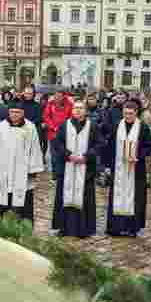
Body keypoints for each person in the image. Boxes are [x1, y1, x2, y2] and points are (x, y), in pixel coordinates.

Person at [0, 101, 45, 223]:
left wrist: (32, 170)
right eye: (12, 112)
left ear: (23, 113)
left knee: (23, 199)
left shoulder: (30, 127)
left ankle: (24, 225)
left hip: (22, 171)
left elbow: (35, 148)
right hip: (5, 169)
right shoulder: (2, 126)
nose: (14, 115)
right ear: (8, 112)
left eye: (17, 112)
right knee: (3, 198)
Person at [51, 101, 103, 238]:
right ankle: (64, 228)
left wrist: (86, 156)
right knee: (64, 196)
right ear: (72, 110)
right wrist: (68, 155)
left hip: (86, 169)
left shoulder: (93, 126)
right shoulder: (64, 125)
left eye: (81, 108)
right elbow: (57, 143)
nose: (78, 110)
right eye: (75, 108)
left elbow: (99, 144)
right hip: (67, 167)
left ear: (85, 111)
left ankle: (83, 229)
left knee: (85, 197)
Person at [105, 101, 151, 237]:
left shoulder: (142, 127)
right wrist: (108, 165)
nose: (128, 116)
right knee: (117, 195)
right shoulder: (116, 125)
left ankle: (132, 228)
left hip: (136, 169)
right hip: (118, 167)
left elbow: (149, 145)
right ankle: (115, 227)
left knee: (135, 198)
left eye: (130, 113)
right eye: (125, 113)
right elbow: (109, 145)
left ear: (136, 113)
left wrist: (138, 156)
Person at [43, 91, 72, 173]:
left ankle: (63, 170)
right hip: (52, 132)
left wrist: (63, 127)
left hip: (65, 133)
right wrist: (52, 127)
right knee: (53, 153)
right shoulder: (50, 104)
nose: (57, 98)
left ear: (63, 96)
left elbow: (70, 117)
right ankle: (55, 172)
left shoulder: (69, 105)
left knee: (64, 152)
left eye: (59, 96)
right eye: (56, 96)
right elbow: (46, 116)